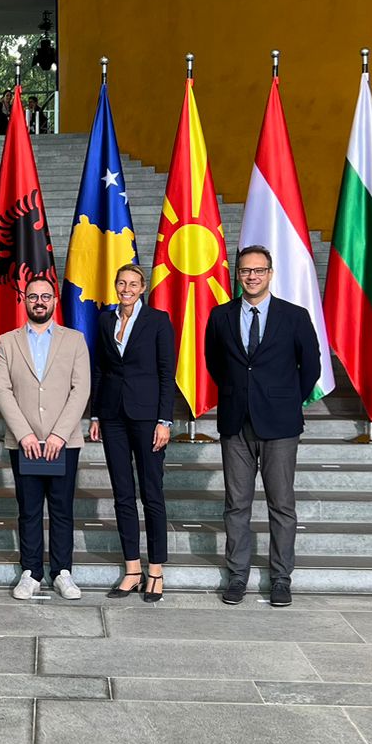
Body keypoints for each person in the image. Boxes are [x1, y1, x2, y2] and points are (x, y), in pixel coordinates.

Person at [204, 244, 321, 609]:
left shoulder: (294, 316)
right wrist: (240, 393)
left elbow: (311, 366)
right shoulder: (220, 315)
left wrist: (285, 400)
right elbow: (214, 363)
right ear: (238, 275)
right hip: (235, 422)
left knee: (281, 504)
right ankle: (237, 576)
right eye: (245, 271)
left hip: (280, 424)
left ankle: (281, 579)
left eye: (258, 270)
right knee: (236, 504)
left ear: (270, 274)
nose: (251, 276)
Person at [0, 276, 90, 601]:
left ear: (55, 301)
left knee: (62, 508)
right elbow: (1, 390)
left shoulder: (74, 340)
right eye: (33, 296)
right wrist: (24, 434)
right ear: (25, 300)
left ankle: (62, 572)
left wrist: (60, 433)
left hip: (64, 442)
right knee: (29, 509)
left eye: (45, 296)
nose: (39, 302)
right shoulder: (7, 342)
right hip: (25, 443)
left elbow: (81, 389)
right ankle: (31, 573)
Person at [89, 262, 176, 601]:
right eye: (121, 283)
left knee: (152, 494)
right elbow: (100, 369)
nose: (126, 289)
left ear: (143, 288)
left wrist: (164, 421)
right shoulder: (105, 320)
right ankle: (132, 569)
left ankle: (156, 570)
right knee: (122, 494)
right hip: (112, 416)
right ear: (116, 286)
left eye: (133, 283)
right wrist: (96, 414)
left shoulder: (158, 320)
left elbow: (167, 373)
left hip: (148, 417)